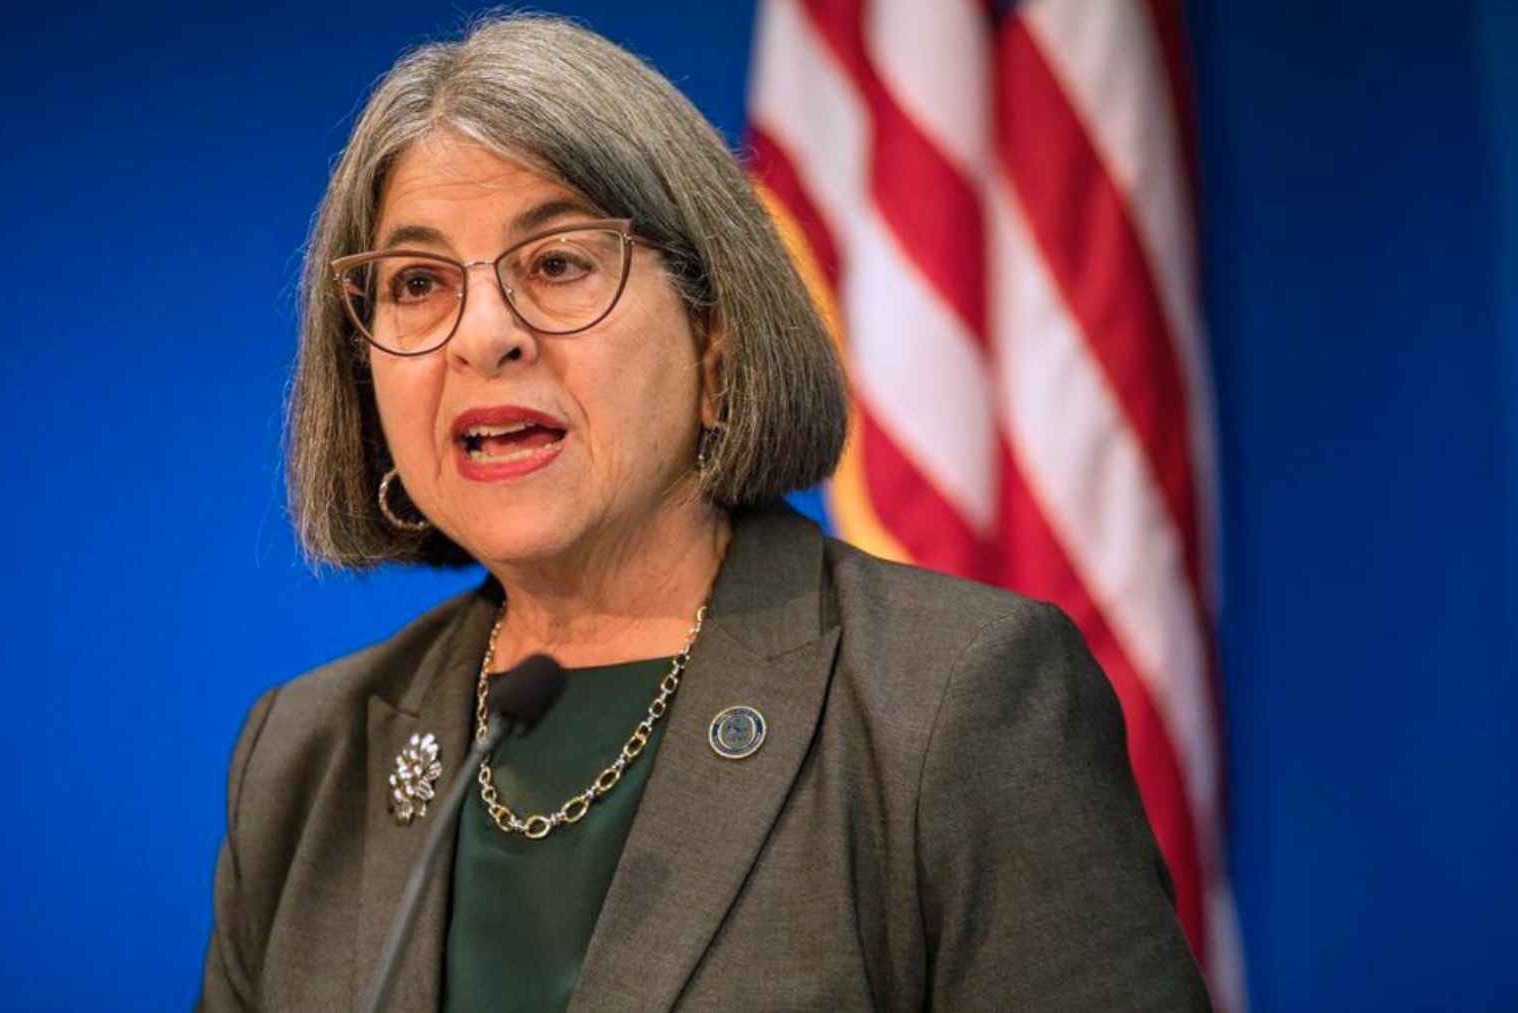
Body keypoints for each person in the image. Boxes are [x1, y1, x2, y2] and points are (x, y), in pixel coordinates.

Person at [199, 13, 1210, 1013]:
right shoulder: (307, 754)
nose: (483, 336)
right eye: (418, 282)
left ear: (715, 342)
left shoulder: (953, 701)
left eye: (557, 263)